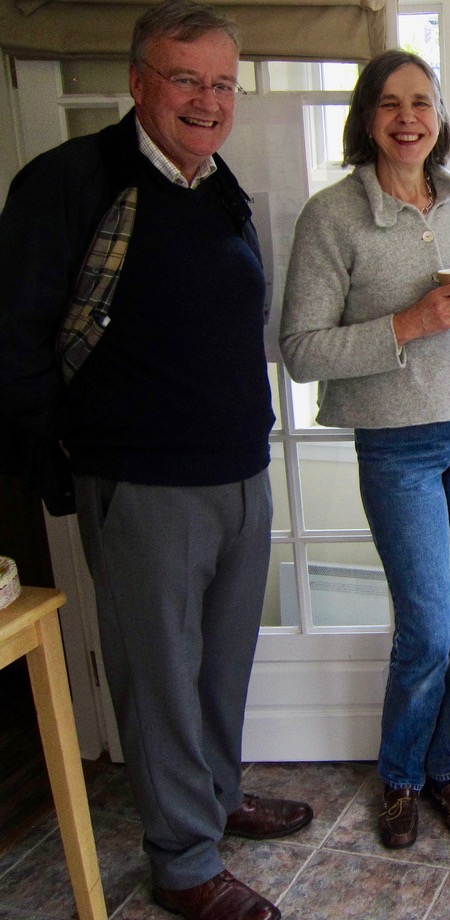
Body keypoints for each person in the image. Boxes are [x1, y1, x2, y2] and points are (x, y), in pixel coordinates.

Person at [0, 2, 313, 918]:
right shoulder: (68, 181)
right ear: (139, 82)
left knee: (220, 664)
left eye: (223, 83)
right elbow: (12, 338)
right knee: (159, 678)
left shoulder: (215, 184)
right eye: (186, 80)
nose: (208, 100)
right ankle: (182, 863)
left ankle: (213, 801)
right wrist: (53, 452)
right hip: (143, 481)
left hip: (237, 470)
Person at [279, 50, 450, 851]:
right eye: (390, 104)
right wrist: (407, 325)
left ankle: (448, 769)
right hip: (398, 444)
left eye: (422, 103)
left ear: (441, 117)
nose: (407, 117)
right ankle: (403, 776)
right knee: (431, 629)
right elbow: (301, 350)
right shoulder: (332, 216)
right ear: (367, 117)